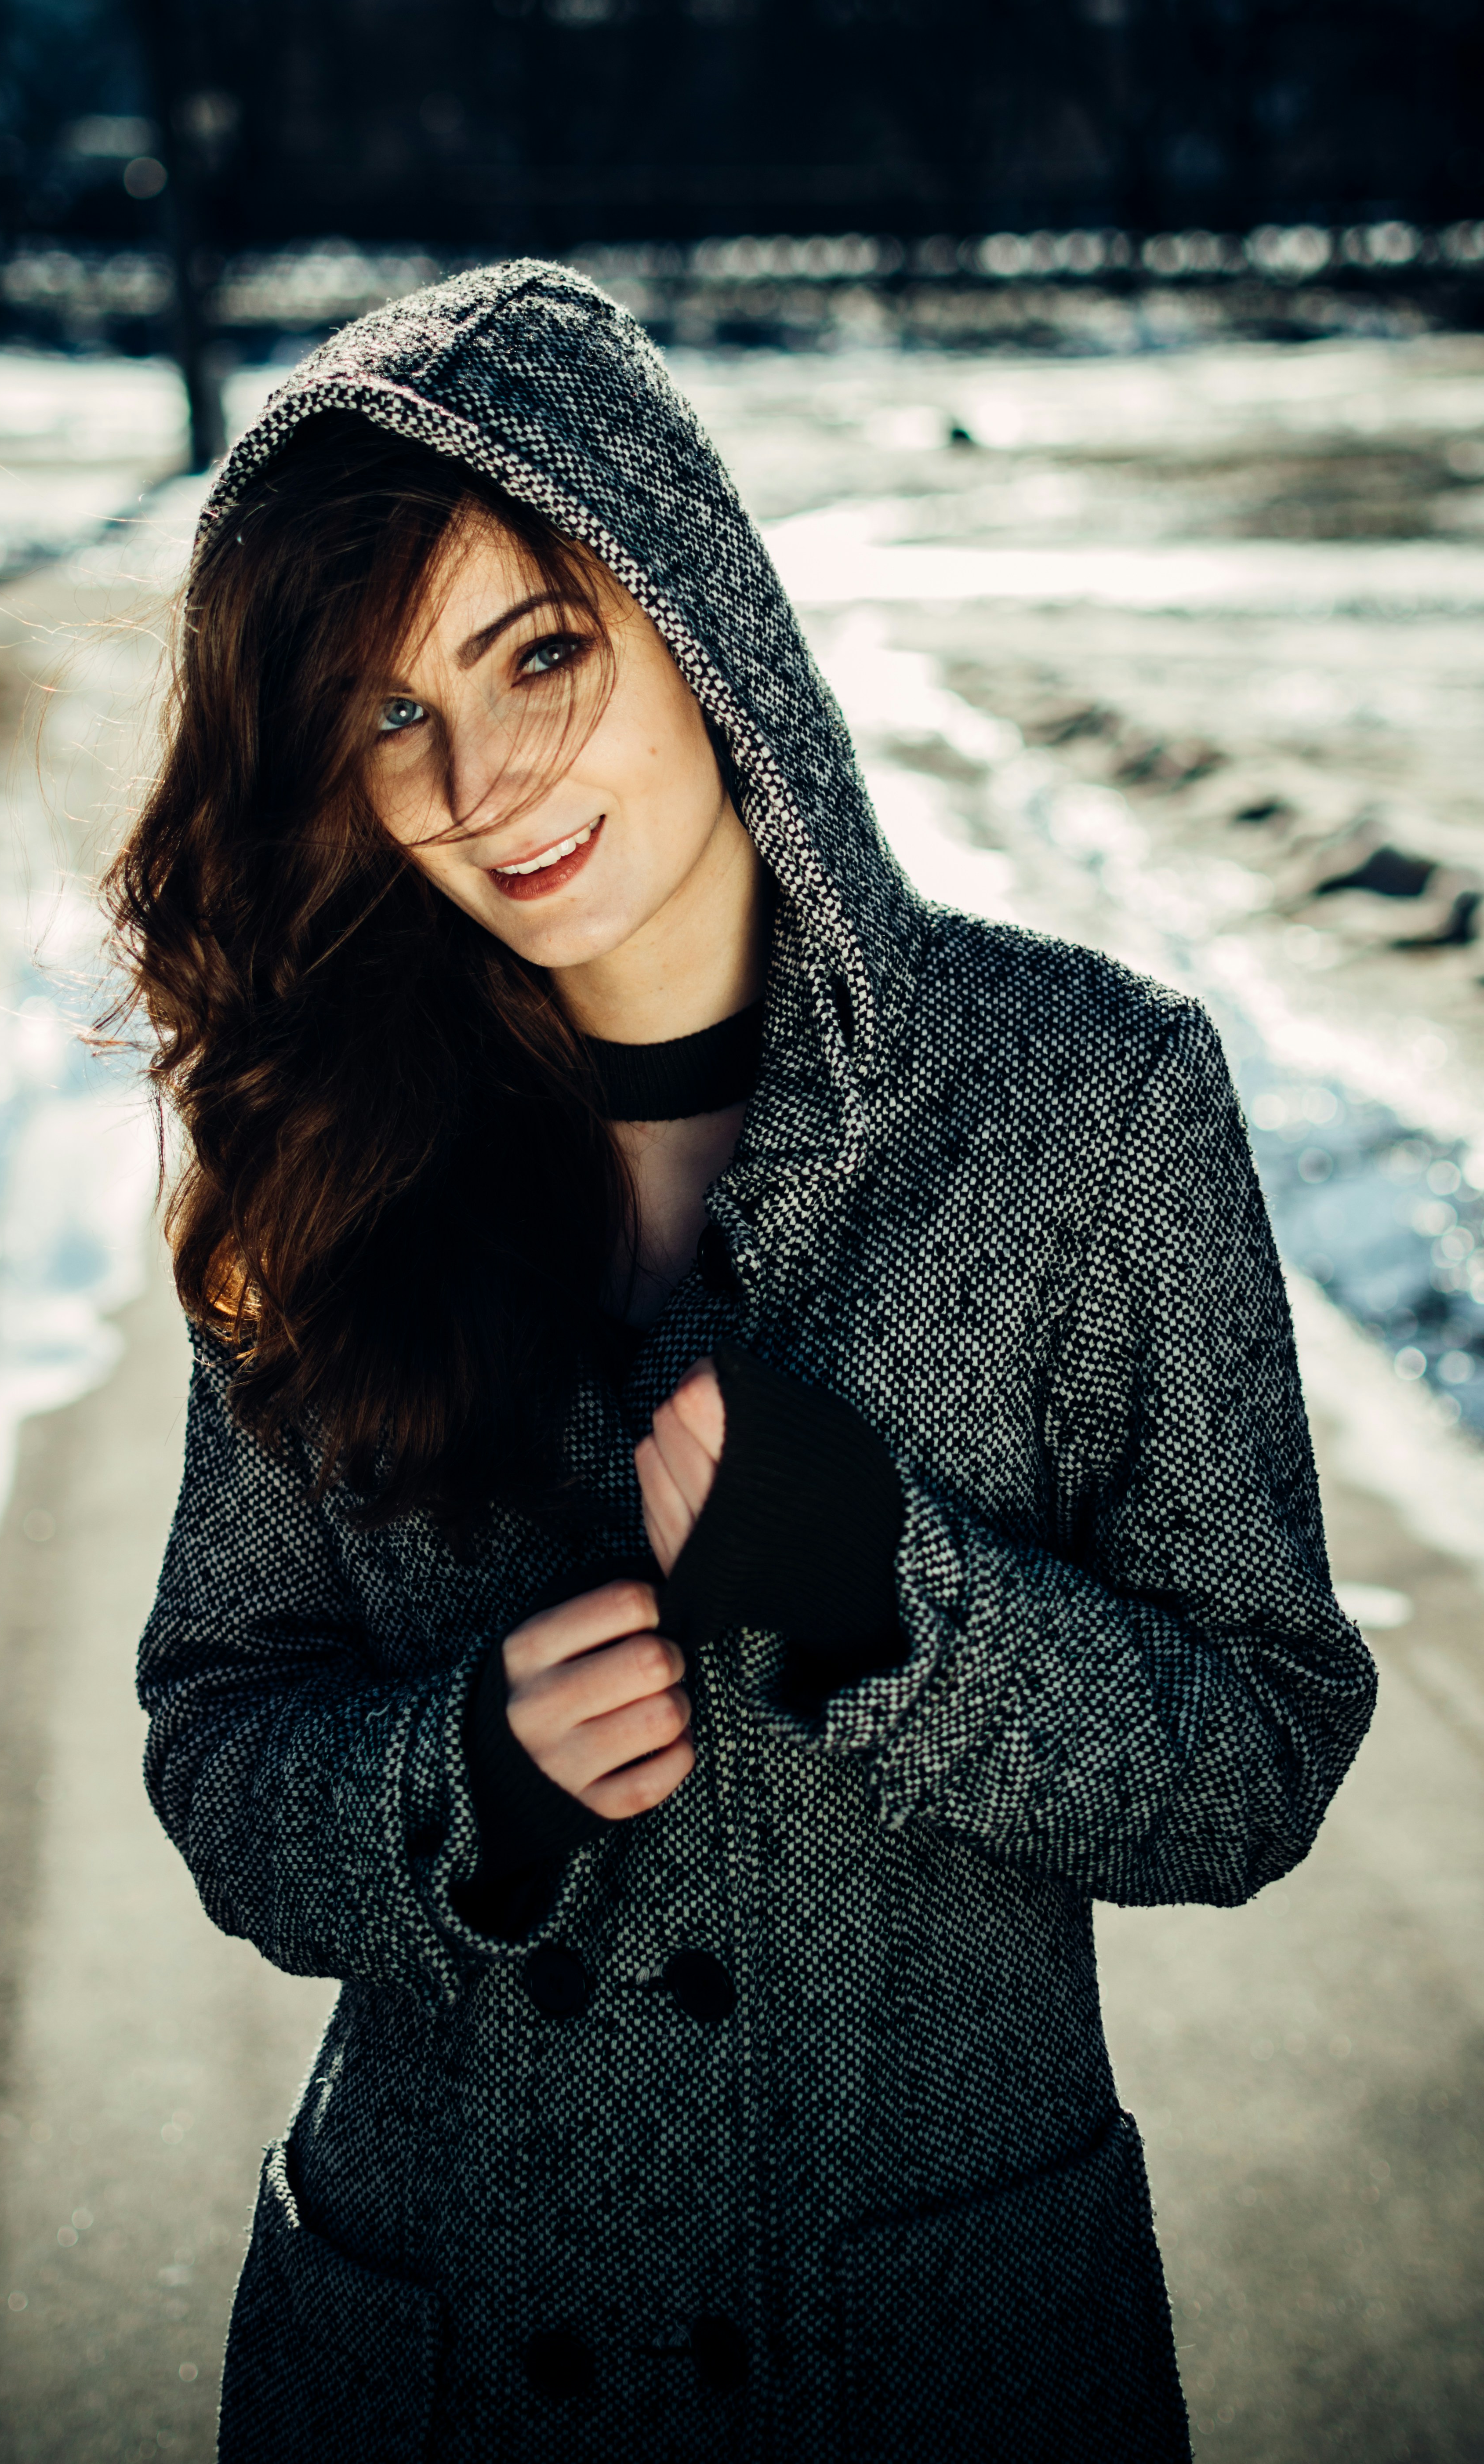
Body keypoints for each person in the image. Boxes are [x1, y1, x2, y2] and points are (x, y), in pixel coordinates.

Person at [111, 260, 1377, 2463]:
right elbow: (220, 1730)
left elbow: (1257, 1747)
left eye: (537, 649)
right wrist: (454, 1783)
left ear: (692, 604)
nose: (487, 780)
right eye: (392, 713)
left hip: (931, 2356)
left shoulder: (1086, 1097)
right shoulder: (333, 1135)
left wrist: (910, 1607)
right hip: (432, 2357)